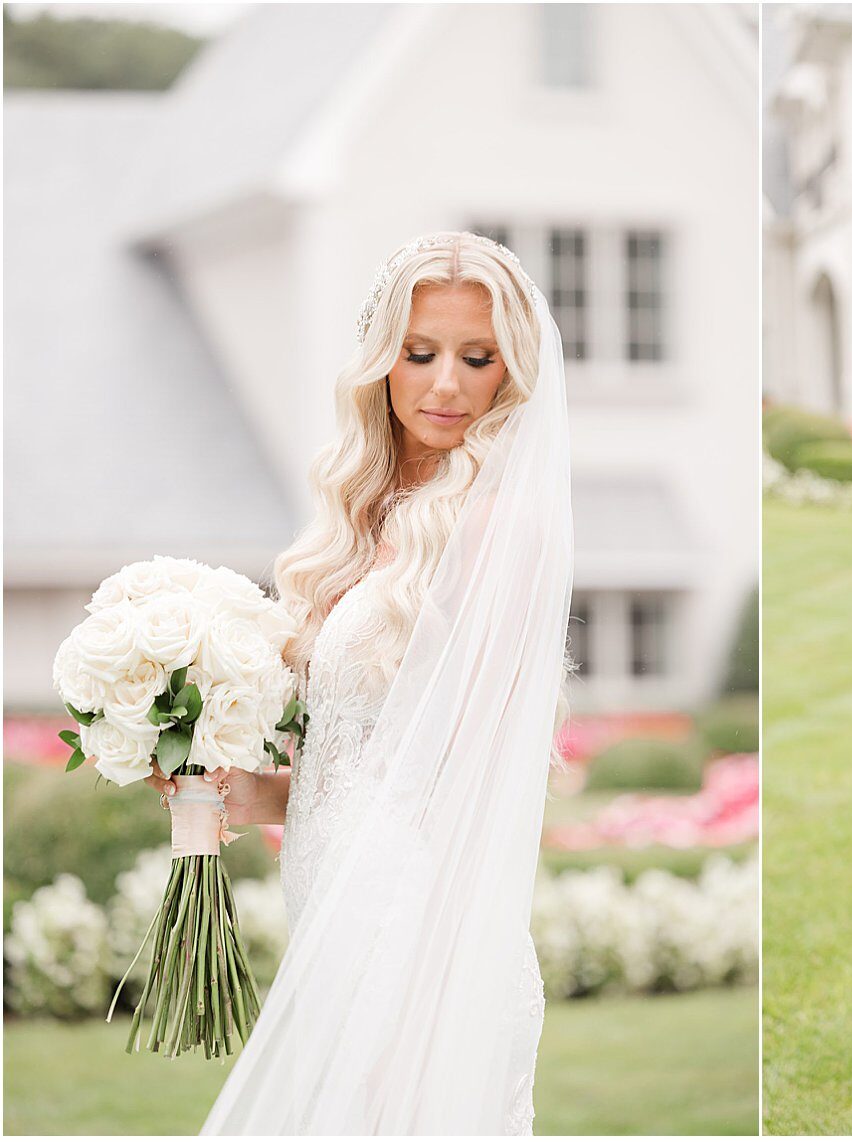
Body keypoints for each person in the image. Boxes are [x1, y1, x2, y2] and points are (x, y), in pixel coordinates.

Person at [147, 232, 573, 1134]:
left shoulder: (501, 529)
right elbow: (331, 779)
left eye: (478, 357)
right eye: (419, 354)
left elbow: (466, 787)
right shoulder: (360, 521)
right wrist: (209, 781)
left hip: (421, 936)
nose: (447, 385)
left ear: (513, 373)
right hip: (331, 912)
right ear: (382, 363)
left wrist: (414, 992)